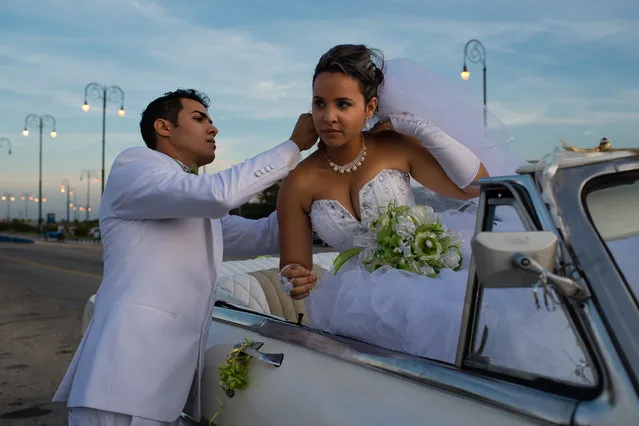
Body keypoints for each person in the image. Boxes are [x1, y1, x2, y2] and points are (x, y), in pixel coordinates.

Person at [278, 45, 592, 382]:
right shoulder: (298, 181)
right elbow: (294, 267)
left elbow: (475, 186)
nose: (329, 117)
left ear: (369, 107)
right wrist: (294, 279)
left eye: (343, 104)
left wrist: (420, 128)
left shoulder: (395, 146)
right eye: (319, 103)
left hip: (425, 286)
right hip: (352, 307)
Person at [52, 89, 319, 426]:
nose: (213, 129)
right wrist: (293, 146)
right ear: (164, 127)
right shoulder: (136, 167)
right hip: (120, 384)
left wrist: (320, 192)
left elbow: (265, 234)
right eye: (199, 118)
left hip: (160, 394)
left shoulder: (189, 202)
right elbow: (220, 194)